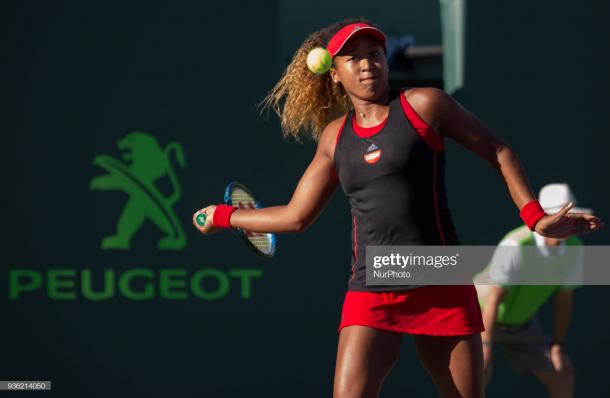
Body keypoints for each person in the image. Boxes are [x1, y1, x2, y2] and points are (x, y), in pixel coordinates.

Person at [192, 20, 604, 398]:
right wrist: (223, 215)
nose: (368, 63)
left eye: (374, 54)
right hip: (374, 282)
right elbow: (296, 216)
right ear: (334, 73)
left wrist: (534, 217)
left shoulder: (424, 105)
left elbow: (498, 151)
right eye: (354, 58)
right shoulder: (335, 139)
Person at [476, 183, 593, 398]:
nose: (570, 224)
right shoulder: (516, 245)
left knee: (562, 376)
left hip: (521, 325)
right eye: (563, 218)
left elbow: (564, 300)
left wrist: (557, 346)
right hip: (480, 318)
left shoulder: (575, 248)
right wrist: (485, 345)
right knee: (477, 375)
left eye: (573, 218)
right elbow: (494, 299)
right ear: (547, 219)